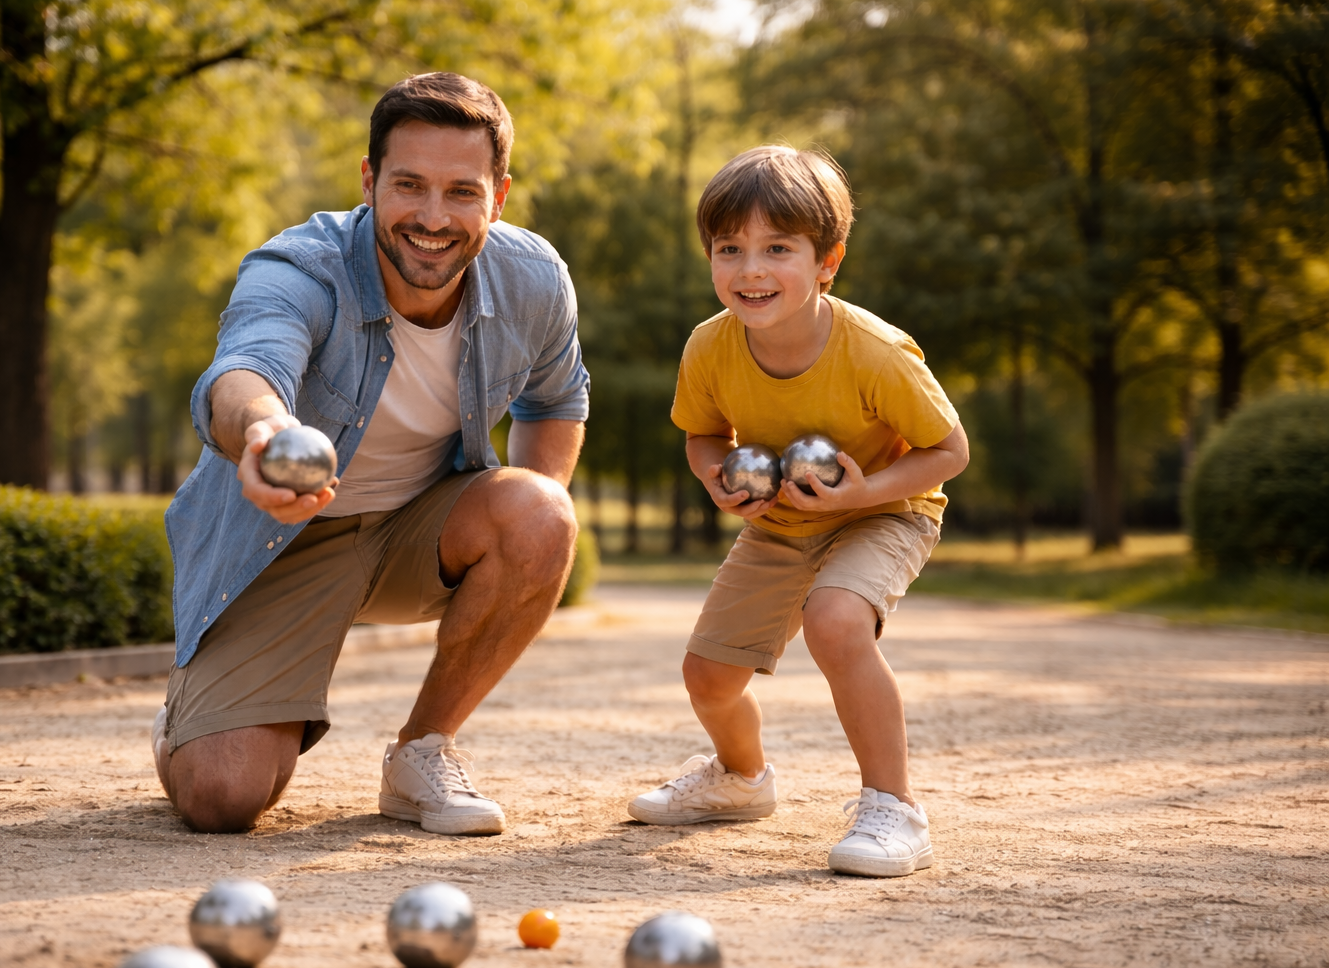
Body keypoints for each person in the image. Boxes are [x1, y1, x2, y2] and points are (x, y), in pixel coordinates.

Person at [154, 72, 588, 836]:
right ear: (369, 181)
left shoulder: (534, 280)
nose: (432, 217)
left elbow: (555, 400)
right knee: (223, 797)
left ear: (500, 194)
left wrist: (531, 536)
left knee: (542, 512)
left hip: (418, 534)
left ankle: (422, 752)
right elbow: (246, 371)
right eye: (409, 185)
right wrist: (261, 434)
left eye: (461, 192)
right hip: (278, 540)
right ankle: (186, 723)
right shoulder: (301, 268)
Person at [627, 146, 969, 877]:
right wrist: (717, 477)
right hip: (782, 521)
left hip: (885, 509)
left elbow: (949, 451)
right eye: (730, 249)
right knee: (708, 678)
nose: (750, 269)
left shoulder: (876, 353)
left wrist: (860, 494)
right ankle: (740, 778)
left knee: (836, 620)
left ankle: (894, 808)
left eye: (777, 248)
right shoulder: (710, 347)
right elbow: (704, 437)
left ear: (827, 261)